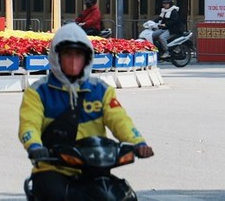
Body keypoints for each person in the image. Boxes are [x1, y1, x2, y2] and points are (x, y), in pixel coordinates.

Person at [19, 23, 153, 200]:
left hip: (95, 167)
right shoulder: (38, 92)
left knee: (123, 195)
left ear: (87, 58)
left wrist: (138, 143)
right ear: (56, 57)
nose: (74, 61)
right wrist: (35, 147)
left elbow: (120, 120)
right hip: (53, 167)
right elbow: (29, 125)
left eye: (78, 55)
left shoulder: (102, 90)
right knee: (55, 195)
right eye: (68, 55)